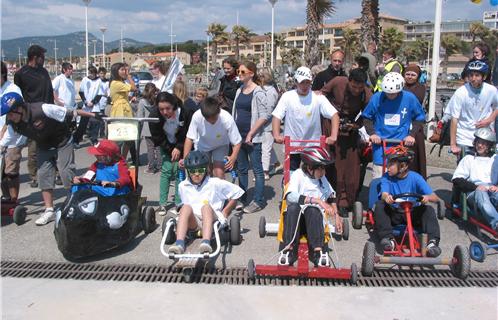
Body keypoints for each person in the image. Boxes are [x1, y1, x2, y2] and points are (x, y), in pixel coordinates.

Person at [0, 91, 95, 225]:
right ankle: (49, 210)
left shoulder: (41, 109)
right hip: (44, 146)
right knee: (43, 175)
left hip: (62, 142)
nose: (9, 116)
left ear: (20, 108)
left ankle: (77, 203)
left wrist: (93, 115)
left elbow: (69, 112)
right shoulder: (13, 123)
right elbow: (5, 142)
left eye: (10, 112)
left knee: (65, 172)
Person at [168, 150, 244, 255]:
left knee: (206, 207)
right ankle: (179, 244)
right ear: (188, 171)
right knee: (185, 207)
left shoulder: (214, 183)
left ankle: (206, 242)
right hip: (194, 222)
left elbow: (237, 192)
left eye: (200, 170)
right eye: (193, 171)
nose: (197, 174)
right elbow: (185, 206)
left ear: (206, 169)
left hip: (212, 219)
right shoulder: (183, 186)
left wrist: (226, 212)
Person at [319, 69, 372, 213]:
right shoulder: (338, 81)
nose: (356, 90)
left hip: (350, 130)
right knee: (329, 164)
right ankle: (327, 198)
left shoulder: (366, 93)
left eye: (359, 88)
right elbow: (321, 95)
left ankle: (344, 201)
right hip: (330, 126)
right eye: (354, 86)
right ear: (349, 81)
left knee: (350, 167)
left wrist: (355, 125)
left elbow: (368, 114)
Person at [374, 145, 442, 257]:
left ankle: (432, 243)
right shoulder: (386, 177)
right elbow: (384, 193)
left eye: (391, 164)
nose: (388, 167)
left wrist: (426, 197)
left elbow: (434, 197)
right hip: (395, 213)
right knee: (380, 205)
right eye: (388, 163)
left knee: (428, 210)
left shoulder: (415, 178)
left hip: (412, 213)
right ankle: (388, 239)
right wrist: (387, 197)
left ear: (403, 166)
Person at [280, 146, 340, 266]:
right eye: (321, 168)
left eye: (324, 168)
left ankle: (318, 251)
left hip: (315, 224)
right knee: (293, 207)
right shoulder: (298, 175)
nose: (324, 172)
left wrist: (337, 215)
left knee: (313, 210)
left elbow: (331, 195)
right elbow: (290, 196)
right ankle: (289, 249)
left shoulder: (322, 179)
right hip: (297, 223)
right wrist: (317, 200)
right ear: (309, 167)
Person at [272, 66, 339, 171]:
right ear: (296, 82)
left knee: (313, 176)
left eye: (307, 82)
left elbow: (334, 115)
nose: (305, 86)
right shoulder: (287, 96)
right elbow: (277, 116)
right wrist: (276, 135)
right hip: (292, 143)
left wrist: (333, 136)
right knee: (291, 176)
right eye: (302, 82)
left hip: (313, 144)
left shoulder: (318, 97)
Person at [362, 72, 426, 179]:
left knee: (399, 176)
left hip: (401, 144)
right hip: (381, 145)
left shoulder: (409, 98)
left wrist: (411, 134)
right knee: (379, 176)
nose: (390, 96)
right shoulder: (377, 98)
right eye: (388, 93)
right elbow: (367, 117)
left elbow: (419, 118)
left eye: (393, 93)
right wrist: (372, 134)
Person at [231, 61, 271, 214]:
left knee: (257, 169)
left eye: (242, 72)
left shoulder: (258, 92)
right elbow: (236, 112)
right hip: (238, 136)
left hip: (253, 137)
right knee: (241, 169)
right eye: (239, 72)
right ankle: (242, 198)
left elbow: (265, 115)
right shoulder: (239, 90)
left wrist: (251, 133)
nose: (239, 74)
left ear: (251, 74)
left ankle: (259, 200)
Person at [14, 45, 54, 188]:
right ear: (35, 57)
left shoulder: (44, 71)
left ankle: (53, 173)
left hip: (48, 114)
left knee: (51, 145)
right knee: (33, 148)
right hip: (32, 115)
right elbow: (19, 98)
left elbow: (49, 92)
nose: (44, 60)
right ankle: (34, 175)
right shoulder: (21, 74)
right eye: (42, 57)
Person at [149, 92, 193, 215]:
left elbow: (189, 133)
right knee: (167, 170)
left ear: (173, 105)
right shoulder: (154, 116)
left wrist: (179, 148)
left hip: (182, 143)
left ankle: (179, 203)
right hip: (166, 144)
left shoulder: (185, 112)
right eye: (161, 109)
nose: (165, 112)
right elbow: (157, 138)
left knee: (180, 169)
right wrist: (170, 150)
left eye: (168, 108)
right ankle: (162, 203)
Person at [183, 96, 242, 179]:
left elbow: (237, 142)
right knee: (204, 173)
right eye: (207, 119)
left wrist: (233, 157)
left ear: (219, 112)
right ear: (203, 115)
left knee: (219, 172)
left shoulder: (227, 118)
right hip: (202, 145)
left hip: (220, 145)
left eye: (214, 118)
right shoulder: (197, 116)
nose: (211, 121)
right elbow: (189, 138)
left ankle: (220, 191)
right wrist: (186, 159)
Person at [452, 128, 498, 232]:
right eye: (478, 142)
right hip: (474, 191)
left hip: (491, 189)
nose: (480, 145)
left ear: (490, 145)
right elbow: (457, 179)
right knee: (481, 193)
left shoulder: (495, 159)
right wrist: (476, 187)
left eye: (484, 143)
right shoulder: (469, 159)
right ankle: (496, 223)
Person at [448, 61, 498, 157]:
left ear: (483, 77)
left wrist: (489, 120)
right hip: (464, 135)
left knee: (484, 167)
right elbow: (454, 119)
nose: (473, 78)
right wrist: (453, 144)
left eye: (477, 75)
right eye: (471, 75)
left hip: (484, 135)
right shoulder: (461, 92)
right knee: (464, 167)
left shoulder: (491, 90)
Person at [0, 62, 26, 204]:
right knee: (1, 171)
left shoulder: (12, 89)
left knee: (10, 171)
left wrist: (3, 132)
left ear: (3, 74)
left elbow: (14, 116)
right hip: (2, 136)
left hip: (13, 135)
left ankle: (14, 200)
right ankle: (6, 197)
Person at [403, 64, 428, 179]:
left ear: (418, 76)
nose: (410, 77)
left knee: (416, 157)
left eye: (413, 75)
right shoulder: (401, 86)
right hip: (402, 124)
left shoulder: (420, 88)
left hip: (415, 125)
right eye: (407, 74)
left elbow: (415, 100)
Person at [258, 68, 280, 180]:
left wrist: (261, 120)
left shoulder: (271, 91)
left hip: (269, 124)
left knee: (265, 148)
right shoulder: (261, 89)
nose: (259, 77)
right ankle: (276, 163)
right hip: (261, 123)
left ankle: (264, 172)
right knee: (268, 147)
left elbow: (269, 110)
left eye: (261, 75)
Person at [74, 66, 104, 146]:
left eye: (92, 73)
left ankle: (94, 140)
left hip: (95, 106)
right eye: (89, 73)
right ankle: (76, 140)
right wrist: (85, 101)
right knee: (83, 124)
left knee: (95, 124)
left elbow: (100, 94)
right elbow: (81, 92)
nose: (90, 75)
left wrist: (93, 102)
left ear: (95, 73)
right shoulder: (85, 79)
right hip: (86, 106)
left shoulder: (99, 81)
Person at [137, 82, 160, 174]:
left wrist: (139, 130)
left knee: (150, 149)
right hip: (157, 126)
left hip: (147, 128)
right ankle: (160, 165)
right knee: (158, 147)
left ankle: (151, 168)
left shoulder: (142, 102)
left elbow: (140, 117)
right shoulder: (157, 100)